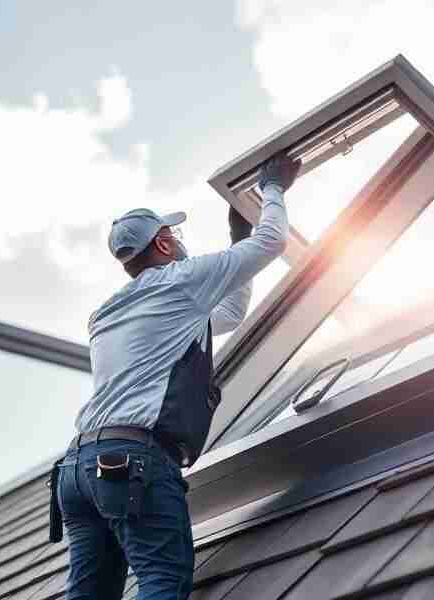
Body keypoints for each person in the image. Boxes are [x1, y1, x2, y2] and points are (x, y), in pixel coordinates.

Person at [51, 154, 301, 600]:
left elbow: (226, 313)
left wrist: (234, 237)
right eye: (173, 234)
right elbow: (272, 242)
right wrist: (273, 189)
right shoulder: (180, 282)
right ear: (163, 245)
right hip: (129, 461)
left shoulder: (108, 313)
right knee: (163, 580)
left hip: (77, 472)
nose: (180, 242)